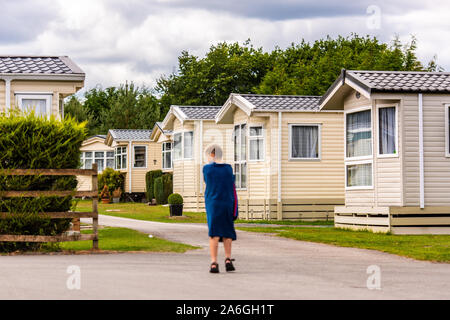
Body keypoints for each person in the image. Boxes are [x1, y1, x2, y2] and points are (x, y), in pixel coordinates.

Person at [202, 144, 238, 273]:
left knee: (214, 233)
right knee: (227, 232)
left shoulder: (207, 169)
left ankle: (214, 262)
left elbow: (207, 181)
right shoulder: (228, 169)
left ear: (212, 155)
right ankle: (228, 259)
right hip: (227, 202)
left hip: (214, 203)